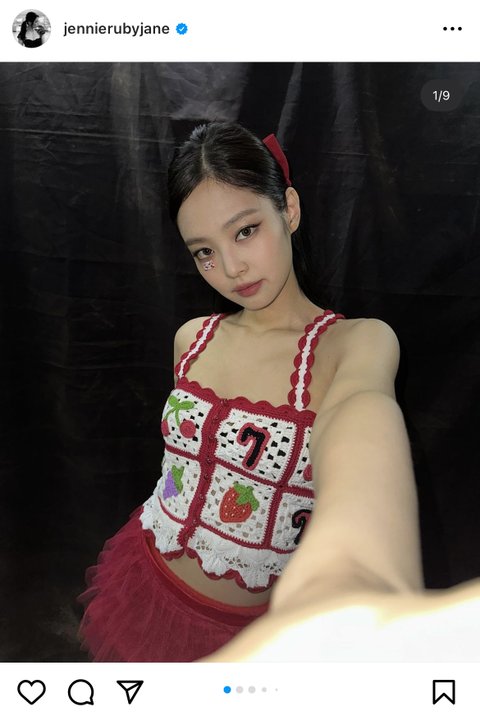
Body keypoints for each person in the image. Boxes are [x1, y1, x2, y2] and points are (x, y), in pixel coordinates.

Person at [77, 121, 422, 662]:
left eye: (244, 231)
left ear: (289, 209)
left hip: (249, 635)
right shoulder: (191, 338)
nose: (230, 268)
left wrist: (372, 559)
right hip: (143, 582)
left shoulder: (356, 344)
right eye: (204, 252)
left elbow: (363, 419)